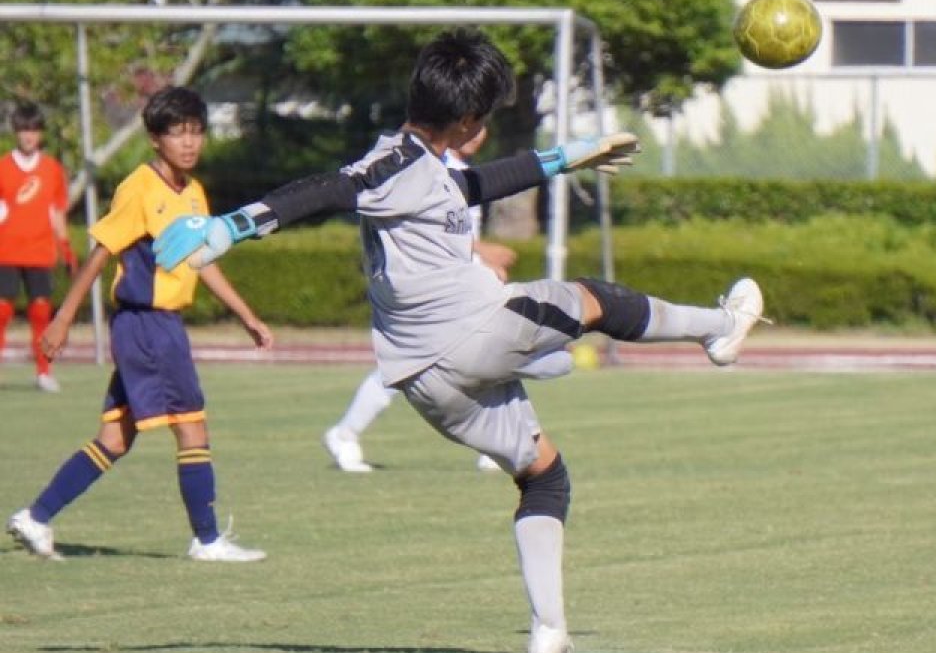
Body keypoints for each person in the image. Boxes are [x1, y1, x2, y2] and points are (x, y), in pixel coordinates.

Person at [153, 28, 765, 653]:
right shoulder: (393, 162)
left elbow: (472, 188)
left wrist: (564, 158)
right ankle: (719, 329)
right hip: (475, 332)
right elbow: (331, 187)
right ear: (468, 119)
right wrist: (236, 224)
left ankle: (549, 631)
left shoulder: (426, 169)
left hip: (426, 382)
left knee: (545, 479)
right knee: (594, 300)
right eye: (488, 117)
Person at [7, 87, 274, 563]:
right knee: (192, 429)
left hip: (158, 327)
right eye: (178, 133)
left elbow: (201, 258)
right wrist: (65, 316)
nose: (189, 143)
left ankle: (37, 516)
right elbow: (101, 252)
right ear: (155, 138)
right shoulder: (139, 187)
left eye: (196, 132)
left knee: (116, 438)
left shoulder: (193, 193)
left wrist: (246, 314)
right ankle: (207, 541)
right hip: (148, 326)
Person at [322, 124, 555, 474]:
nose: (479, 132)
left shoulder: (462, 172)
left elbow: (453, 235)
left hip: (452, 285)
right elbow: (425, 230)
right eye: (472, 122)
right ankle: (345, 432)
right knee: (411, 368)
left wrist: (477, 264)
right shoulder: (426, 167)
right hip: (425, 289)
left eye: (484, 123)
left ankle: (500, 442)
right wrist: (482, 254)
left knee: (489, 352)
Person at [0, 102, 78, 392]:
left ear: (40, 134)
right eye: (23, 130)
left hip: (40, 250)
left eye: (33, 130)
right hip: (6, 250)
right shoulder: (3, 167)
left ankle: (44, 371)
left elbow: (56, 212)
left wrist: (66, 247)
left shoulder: (52, 170)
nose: (28, 136)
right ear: (16, 133)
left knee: (41, 311)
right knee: (2, 310)